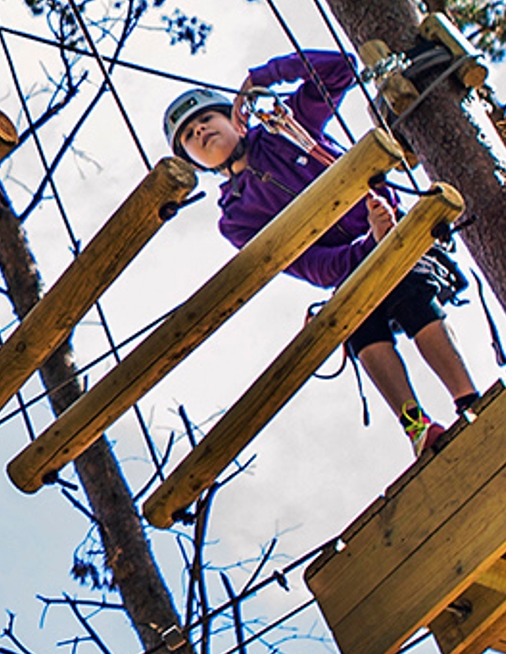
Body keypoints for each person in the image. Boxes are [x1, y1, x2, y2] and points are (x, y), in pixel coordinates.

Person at [167, 48, 485, 457]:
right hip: (353, 267)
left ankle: (468, 400)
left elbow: (339, 69)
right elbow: (312, 267)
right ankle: (416, 429)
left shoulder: (288, 127)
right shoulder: (237, 218)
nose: (199, 132)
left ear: (233, 116)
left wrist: (264, 74)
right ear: (193, 161)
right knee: (357, 325)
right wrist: (368, 242)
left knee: (410, 296)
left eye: (206, 120)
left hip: (398, 243)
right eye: (189, 137)